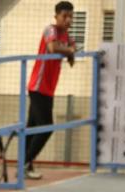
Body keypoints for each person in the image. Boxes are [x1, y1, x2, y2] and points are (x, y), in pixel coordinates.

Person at [24, 1, 77, 180]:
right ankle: (25, 162)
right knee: (46, 127)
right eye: (64, 16)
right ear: (56, 16)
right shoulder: (51, 30)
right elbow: (53, 47)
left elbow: (72, 55)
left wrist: (70, 51)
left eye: (71, 16)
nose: (68, 20)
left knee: (31, 127)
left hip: (49, 88)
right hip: (38, 86)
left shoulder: (67, 35)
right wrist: (69, 50)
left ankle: (26, 165)